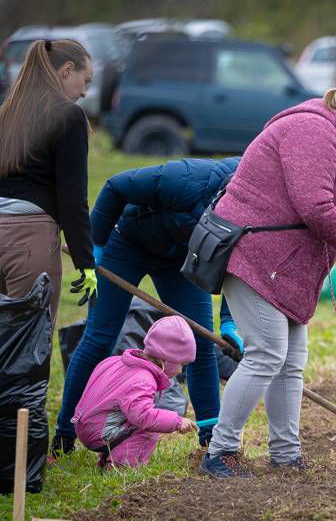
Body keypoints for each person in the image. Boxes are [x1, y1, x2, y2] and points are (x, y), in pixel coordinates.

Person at [201, 88, 336, 478]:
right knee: (266, 355)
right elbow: (315, 207)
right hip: (257, 256)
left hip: (286, 268)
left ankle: (285, 455)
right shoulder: (312, 131)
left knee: (290, 363)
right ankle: (220, 453)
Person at [52, 157, 241, 456]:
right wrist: (95, 248)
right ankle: (64, 435)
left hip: (181, 259)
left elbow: (236, 260)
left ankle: (211, 442)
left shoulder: (252, 210)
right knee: (100, 337)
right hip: (127, 244)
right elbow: (116, 187)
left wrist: (229, 321)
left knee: (201, 344)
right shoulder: (186, 179)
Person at [0, 39, 96, 328]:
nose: (85, 92)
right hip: (29, 240)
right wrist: (85, 263)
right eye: (85, 80)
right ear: (67, 70)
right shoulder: (69, 115)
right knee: (28, 342)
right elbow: (73, 197)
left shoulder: (6, 113)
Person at [72, 316, 198, 469]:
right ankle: (123, 466)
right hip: (98, 434)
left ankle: (108, 458)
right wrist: (177, 422)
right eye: (181, 364)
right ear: (167, 359)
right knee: (149, 428)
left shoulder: (115, 361)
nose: (181, 370)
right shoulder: (143, 380)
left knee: (129, 415)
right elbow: (144, 416)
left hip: (83, 425)